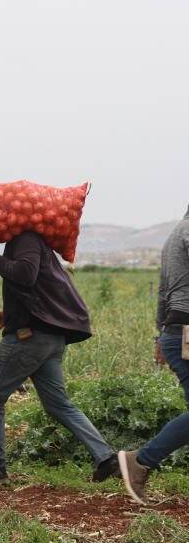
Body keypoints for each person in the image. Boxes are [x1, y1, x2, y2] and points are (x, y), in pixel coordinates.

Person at [0, 232, 117, 484]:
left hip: (28, 338)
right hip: (50, 338)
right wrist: (10, 312)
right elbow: (39, 285)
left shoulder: (25, 239)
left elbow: (25, 274)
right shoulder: (35, 243)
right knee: (59, 405)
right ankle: (106, 458)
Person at [118, 205, 189, 504]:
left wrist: (161, 334)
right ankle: (141, 460)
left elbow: (163, 292)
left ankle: (142, 461)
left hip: (177, 330)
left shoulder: (175, 235)